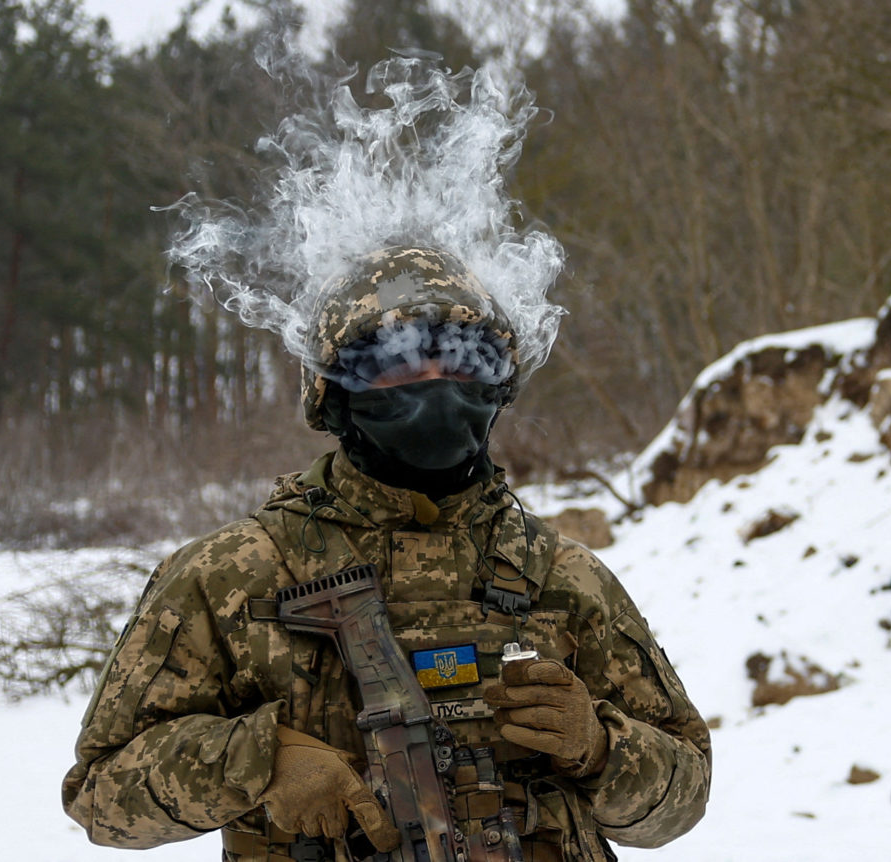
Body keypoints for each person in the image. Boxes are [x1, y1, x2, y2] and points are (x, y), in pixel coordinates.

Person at [62, 246, 711, 862]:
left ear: (497, 387)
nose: (437, 389)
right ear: (335, 395)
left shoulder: (565, 577)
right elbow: (101, 794)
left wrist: (600, 746)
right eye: (398, 366)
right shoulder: (235, 573)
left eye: (463, 363)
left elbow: (684, 796)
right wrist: (255, 762)